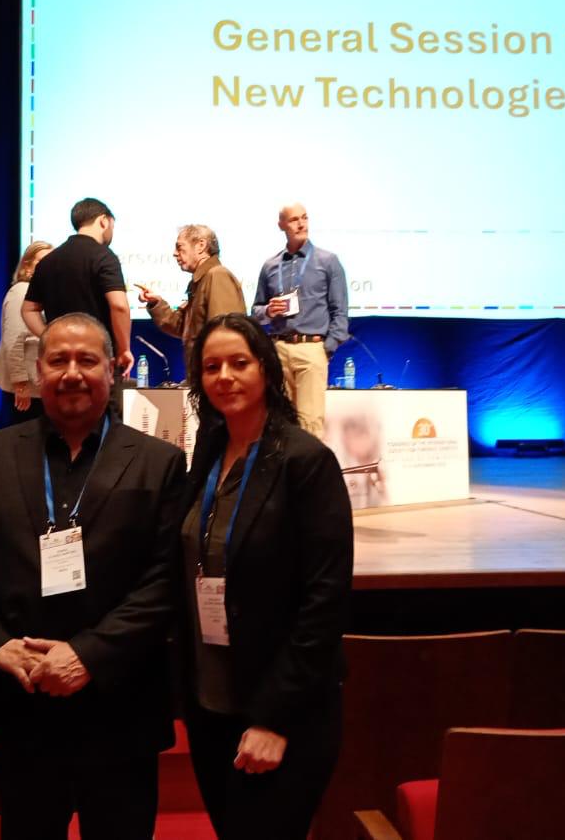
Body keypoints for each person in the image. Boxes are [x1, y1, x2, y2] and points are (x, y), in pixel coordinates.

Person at [0, 312, 188, 840]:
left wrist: (88, 654)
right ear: (38, 371)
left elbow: (164, 580)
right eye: (58, 360)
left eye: (87, 360)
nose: (72, 373)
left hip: (120, 707)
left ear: (112, 369)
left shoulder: (159, 462)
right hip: (23, 704)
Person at [179, 313, 353, 840]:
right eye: (211, 367)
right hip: (211, 705)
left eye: (239, 363)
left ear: (266, 370)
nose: (225, 377)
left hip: (281, 714)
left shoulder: (306, 461)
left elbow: (325, 601)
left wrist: (275, 718)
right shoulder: (210, 451)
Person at [251, 203, 349, 438]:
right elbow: (255, 311)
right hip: (278, 349)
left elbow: (340, 311)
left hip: (311, 348)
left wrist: (326, 348)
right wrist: (268, 311)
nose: (301, 224)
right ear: (281, 225)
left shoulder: (328, 261)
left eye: (304, 218)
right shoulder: (270, 265)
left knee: (309, 425)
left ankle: (309, 465)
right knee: (279, 423)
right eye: (294, 219)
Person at [22, 198, 133, 375]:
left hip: (59, 358)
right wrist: (124, 348)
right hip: (95, 357)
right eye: (112, 226)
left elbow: (28, 309)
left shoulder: (48, 261)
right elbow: (119, 306)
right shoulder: (104, 257)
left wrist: (49, 336)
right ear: (104, 221)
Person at [136, 223, 247, 374]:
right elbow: (183, 328)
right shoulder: (199, 282)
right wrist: (156, 303)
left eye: (179, 247)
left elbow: (225, 335)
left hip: (216, 376)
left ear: (201, 246)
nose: (175, 253)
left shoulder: (217, 276)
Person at [0, 240, 53, 417]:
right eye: (42, 262)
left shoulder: (41, 293)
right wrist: (20, 384)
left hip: (38, 385)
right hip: (26, 388)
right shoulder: (22, 292)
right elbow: (13, 339)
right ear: (27, 265)